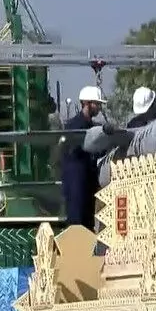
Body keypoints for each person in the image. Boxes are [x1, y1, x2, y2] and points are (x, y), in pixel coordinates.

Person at [61, 86, 107, 230]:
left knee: (87, 226)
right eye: (97, 104)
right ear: (87, 103)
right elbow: (75, 154)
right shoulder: (75, 127)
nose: (99, 108)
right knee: (77, 226)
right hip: (77, 187)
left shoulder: (89, 126)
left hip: (86, 186)